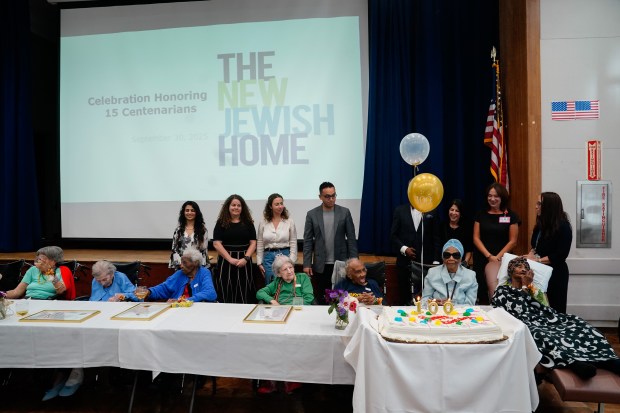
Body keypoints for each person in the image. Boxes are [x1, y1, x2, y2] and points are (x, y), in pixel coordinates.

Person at [492, 257, 620, 380]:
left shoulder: (536, 291)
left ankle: (608, 360)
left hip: (546, 319)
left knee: (578, 323)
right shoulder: (502, 290)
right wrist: (524, 287)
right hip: (525, 323)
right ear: (510, 270)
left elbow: (544, 307)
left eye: (526, 267)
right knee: (537, 333)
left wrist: (529, 288)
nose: (524, 269)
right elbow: (505, 310)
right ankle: (573, 363)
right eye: (519, 266)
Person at [256, 254, 313, 395]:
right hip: (279, 317)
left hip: (299, 316)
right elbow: (260, 292)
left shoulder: (303, 278)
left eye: (290, 267)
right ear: (279, 273)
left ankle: (291, 378)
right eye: (285, 269)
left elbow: (309, 297)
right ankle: (271, 380)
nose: (289, 271)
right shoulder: (277, 282)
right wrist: (271, 301)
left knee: (292, 344)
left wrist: (286, 306)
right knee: (270, 344)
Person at [303, 182, 358, 304]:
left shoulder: (344, 212)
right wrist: (307, 264)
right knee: (323, 297)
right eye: (327, 196)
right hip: (320, 264)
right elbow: (307, 241)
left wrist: (354, 260)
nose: (331, 199)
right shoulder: (312, 214)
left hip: (341, 262)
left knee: (341, 298)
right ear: (320, 197)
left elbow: (351, 238)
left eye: (334, 195)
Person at [524, 192, 572, 313]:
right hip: (538, 272)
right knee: (538, 309)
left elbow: (560, 255)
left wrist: (537, 260)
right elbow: (536, 246)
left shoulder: (564, 226)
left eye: (539, 204)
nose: (536, 206)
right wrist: (530, 254)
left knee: (555, 309)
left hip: (556, 274)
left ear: (549, 207)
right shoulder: (540, 224)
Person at [473, 183, 520, 304]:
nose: (492, 199)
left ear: (502, 198)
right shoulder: (481, 214)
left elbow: (513, 241)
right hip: (482, 258)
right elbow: (476, 238)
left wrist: (497, 257)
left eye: (496, 196)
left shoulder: (511, 216)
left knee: (501, 291)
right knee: (482, 290)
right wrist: (489, 256)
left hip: (503, 260)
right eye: (490, 196)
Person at [390, 203, 441, 305]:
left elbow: (436, 237)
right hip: (404, 263)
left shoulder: (432, 211)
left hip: (426, 264)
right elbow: (393, 236)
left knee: (426, 298)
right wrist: (404, 249)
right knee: (405, 298)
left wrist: (435, 262)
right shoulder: (400, 210)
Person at [212, 194, 257, 304]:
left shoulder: (248, 222)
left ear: (242, 208)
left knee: (244, 289)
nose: (236, 207)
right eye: (233, 205)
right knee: (226, 289)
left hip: (244, 260)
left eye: (239, 205)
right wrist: (230, 259)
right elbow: (217, 243)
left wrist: (246, 258)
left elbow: (253, 242)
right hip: (226, 261)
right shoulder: (221, 222)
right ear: (228, 206)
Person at [144, 247, 217, 302]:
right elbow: (164, 288)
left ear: (195, 263)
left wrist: (185, 301)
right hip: (178, 310)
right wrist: (149, 291)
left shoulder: (204, 272)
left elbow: (210, 293)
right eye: (181, 262)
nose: (181, 266)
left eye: (184, 263)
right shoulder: (179, 274)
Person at [256, 193, 297, 285]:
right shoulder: (263, 222)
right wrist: (259, 262)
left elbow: (293, 242)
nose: (280, 206)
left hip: (285, 255)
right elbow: (260, 242)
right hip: (268, 257)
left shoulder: (289, 221)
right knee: (271, 283)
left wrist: (292, 260)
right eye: (277, 204)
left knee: (285, 283)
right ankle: (271, 300)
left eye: (281, 203)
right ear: (270, 206)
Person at [422, 239, 478, 306]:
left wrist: (452, 305)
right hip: (436, 312)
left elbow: (470, 304)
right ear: (442, 257)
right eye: (447, 255)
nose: (451, 258)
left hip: (460, 314)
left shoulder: (470, 276)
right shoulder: (432, 273)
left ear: (461, 258)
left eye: (456, 255)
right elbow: (424, 300)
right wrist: (433, 303)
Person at [169, 201, 209, 269]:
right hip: (181, 267)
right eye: (187, 210)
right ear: (183, 213)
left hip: (197, 267)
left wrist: (194, 264)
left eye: (192, 210)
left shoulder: (203, 230)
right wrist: (182, 264)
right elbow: (174, 250)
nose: (189, 213)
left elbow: (203, 251)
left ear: (196, 213)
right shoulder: (178, 230)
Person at [440, 199, 473, 267]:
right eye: (452, 210)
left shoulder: (466, 228)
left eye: (457, 211)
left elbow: (469, 249)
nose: (453, 213)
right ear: (448, 211)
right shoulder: (442, 226)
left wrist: (465, 263)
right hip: (444, 264)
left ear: (461, 214)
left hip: (461, 266)